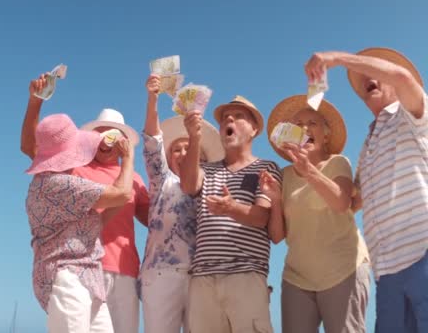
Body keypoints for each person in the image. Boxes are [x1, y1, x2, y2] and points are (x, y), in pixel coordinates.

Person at [305, 47, 428, 332]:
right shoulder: (367, 144)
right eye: (362, 77)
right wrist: (309, 169)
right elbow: (351, 203)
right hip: (386, 274)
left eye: (373, 73)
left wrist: (337, 59)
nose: (367, 78)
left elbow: (403, 77)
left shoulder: (413, 114)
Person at [21, 73, 150, 333]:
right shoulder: (72, 169)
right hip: (79, 266)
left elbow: (153, 220)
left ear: (122, 139)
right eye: (100, 135)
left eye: (112, 136)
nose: (106, 141)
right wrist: (35, 102)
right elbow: (34, 149)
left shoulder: (133, 178)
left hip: (122, 269)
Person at [261, 94, 370, 333]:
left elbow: (342, 202)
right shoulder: (285, 175)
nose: (305, 128)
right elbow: (278, 236)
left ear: (326, 133)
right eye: (298, 125)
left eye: (312, 123)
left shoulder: (337, 163)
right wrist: (276, 201)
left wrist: (309, 171)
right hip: (297, 277)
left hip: (343, 270)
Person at [179, 95, 282, 333]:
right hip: (203, 278)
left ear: (254, 129)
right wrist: (194, 137)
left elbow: (261, 218)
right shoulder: (206, 169)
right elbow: (188, 185)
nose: (229, 120)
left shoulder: (266, 168)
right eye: (226, 117)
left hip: (246, 274)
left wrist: (230, 207)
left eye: (239, 116)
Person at [139, 74, 224, 333]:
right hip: (161, 274)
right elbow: (153, 141)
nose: (183, 153)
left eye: (190, 148)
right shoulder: (161, 180)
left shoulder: (214, 184)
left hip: (201, 278)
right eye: (177, 149)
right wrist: (153, 99)